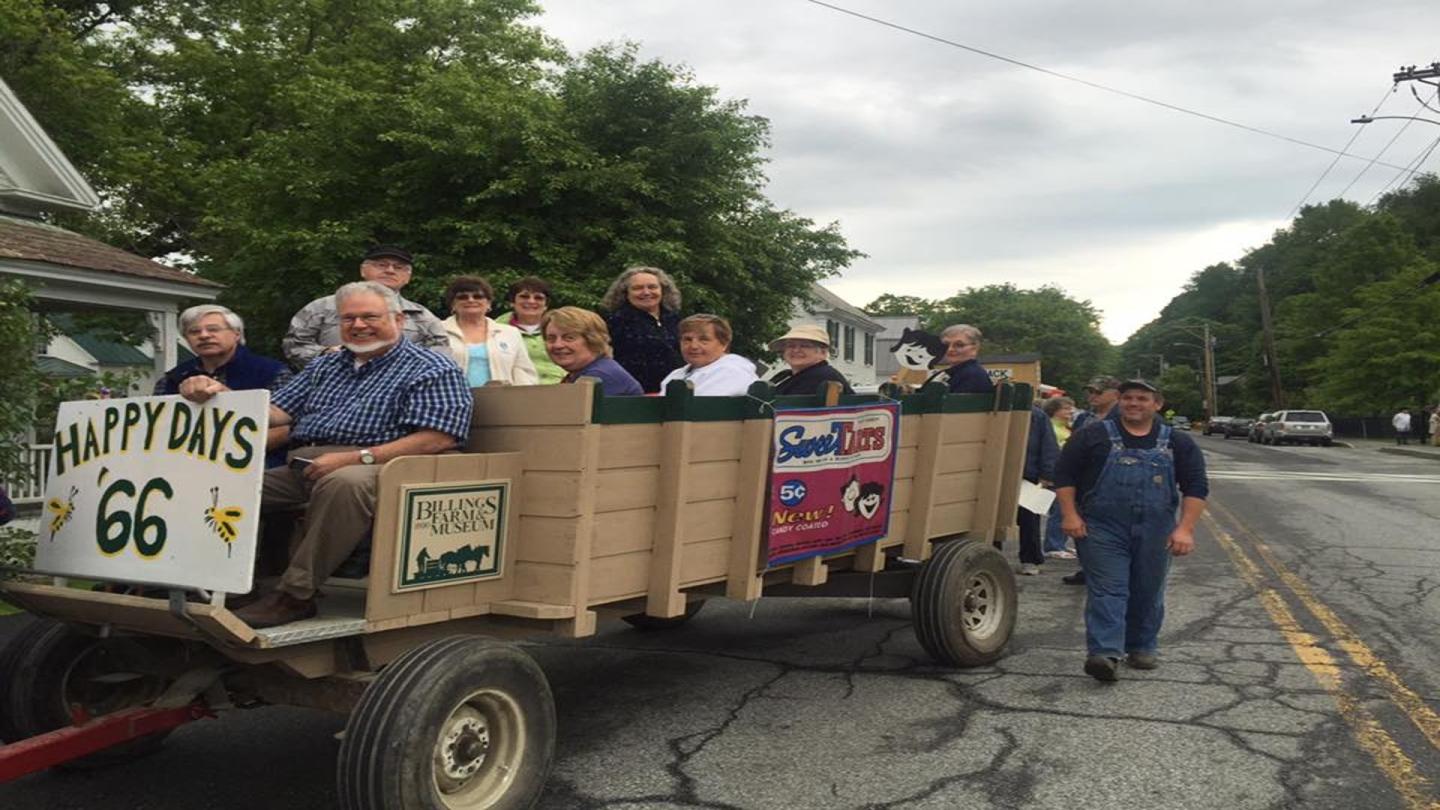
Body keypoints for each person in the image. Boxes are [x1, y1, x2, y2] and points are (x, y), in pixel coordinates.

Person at [179, 281, 472, 628]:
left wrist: (355, 458)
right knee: (222, 487)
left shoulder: (432, 367)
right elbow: (274, 412)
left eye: (369, 316)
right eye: (349, 319)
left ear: (397, 319)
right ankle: (226, 585)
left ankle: (296, 595)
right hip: (307, 464)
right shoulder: (326, 366)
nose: (358, 326)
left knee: (344, 485)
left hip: (390, 466)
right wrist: (214, 392)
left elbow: (438, 438)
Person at [1054, 379, 1208, 682]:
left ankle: (1141, 645)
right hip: (1102, 526)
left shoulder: (1177, 442)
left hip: (1156, 528)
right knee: (1109, 589)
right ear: (1119, 401)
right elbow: (1065, 476)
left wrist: (1185, 529)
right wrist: (1070, 516)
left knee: (1147, 589)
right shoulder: (1092, 436)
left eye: (1142, 398)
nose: (1134, 404)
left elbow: (1196, 487)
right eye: (1127, 398)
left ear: (1156, 404)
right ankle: (1105, 653)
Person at [154, 305, 292, 466]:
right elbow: (157, 428)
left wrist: (223, 447)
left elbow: (289, 429)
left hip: (259, 466)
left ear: (236, 334)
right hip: (183, 464)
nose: (204, 335)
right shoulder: (172, 378)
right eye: (194, 332)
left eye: (213, 329)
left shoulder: (272, 371)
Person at [283, 244, 449, 369]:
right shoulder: (321, 307)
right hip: (331, 391)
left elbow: (441, 352)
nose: (390, 270)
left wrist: (404, 366)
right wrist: (324, 355)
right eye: (381, 265)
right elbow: (294, 345)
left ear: (407, 277)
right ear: (363, 270)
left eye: (398, 267)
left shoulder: (422, 316)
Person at [1063, 376, 1123, 586]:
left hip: (1111, 480)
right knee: (1080, 529)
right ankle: (1087, 568)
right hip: (1082, 479)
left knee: (1107, 530)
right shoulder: (1084, 418)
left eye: (1098, 392)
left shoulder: (1123, 417)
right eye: (1090, 391)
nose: (1092, 396)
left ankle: (1105, 572)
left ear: (1115, 394)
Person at [439, 276, 538, 388]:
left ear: (489, 303)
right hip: (453, 400)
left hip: (500, 400)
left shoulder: (510, 333)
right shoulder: (438, 332)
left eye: (478, 296)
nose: (471, 300)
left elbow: (523, 372)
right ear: (452, 304)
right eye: (463, 297)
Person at [602, 266, 683, 393]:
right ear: (625, 293)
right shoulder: (615, 322)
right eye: (637, 288)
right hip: (634, 396)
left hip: (675, 393)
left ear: (663, 290)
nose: (646, 292)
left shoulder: (675, 319)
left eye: (652, 287)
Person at [542, 306, 643, 396]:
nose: (557, 345)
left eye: (569, 338)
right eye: (551, 338)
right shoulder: (579, 374)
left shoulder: (599, 377)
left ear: (593, 340)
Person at [658, 314, 758, 396]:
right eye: (687, 339)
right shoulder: (676, 375)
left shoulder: (733, 372)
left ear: (724, 344)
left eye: (703, 340)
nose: (693, 346)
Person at [494, 276, 565, 385]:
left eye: (538, 298)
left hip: (562, 388)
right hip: (516, 391)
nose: (531, 301)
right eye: (524, 297)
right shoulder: (495, 330)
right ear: (512, 302)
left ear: (546, 304)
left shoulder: (562, 326)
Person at [1017, 405, 1060, 576]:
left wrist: (1047, 474)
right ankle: (1029, 560)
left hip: (1028, 474)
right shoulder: (1037, 414)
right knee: (1028, 520)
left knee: (1029, 519)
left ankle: (1030, 559)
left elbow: (1048, 445)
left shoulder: (1036, 415)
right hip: (1026, 471)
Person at [766, 324, 854, 396]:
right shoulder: (786, 376)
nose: (796, 350)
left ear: (823, 353)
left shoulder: (821, 376)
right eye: (790, 345)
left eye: (804, 346)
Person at [1042, 396, 1077, 559]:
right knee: (1059, 511)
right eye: (1066, 408)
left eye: (1071, 408)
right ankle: (1053, 545)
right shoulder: (1051, 428)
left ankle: (1060, 543)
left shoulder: (1066, 428)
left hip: (1067, 473)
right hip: (1056, 475)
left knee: (1064, 510)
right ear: (1054, 411)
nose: (1071, 411)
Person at [939, 324, 994, 394]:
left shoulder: (972, 376)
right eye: (946, 345)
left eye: (959, 345)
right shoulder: (957, 373)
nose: (950, 349)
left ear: (975, 348)